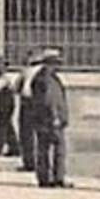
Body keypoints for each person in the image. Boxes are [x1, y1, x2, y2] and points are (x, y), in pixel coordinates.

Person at [25, 47, 71, 189]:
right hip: (49, 120)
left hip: (45, 119)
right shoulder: (45, 79)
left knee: (45, 148)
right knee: (56, 149)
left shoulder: (46, 77)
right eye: (55, 63)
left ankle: (48, 177)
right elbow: (49, 100)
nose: (57, 66)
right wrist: (55, 116)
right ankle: (54, 177)